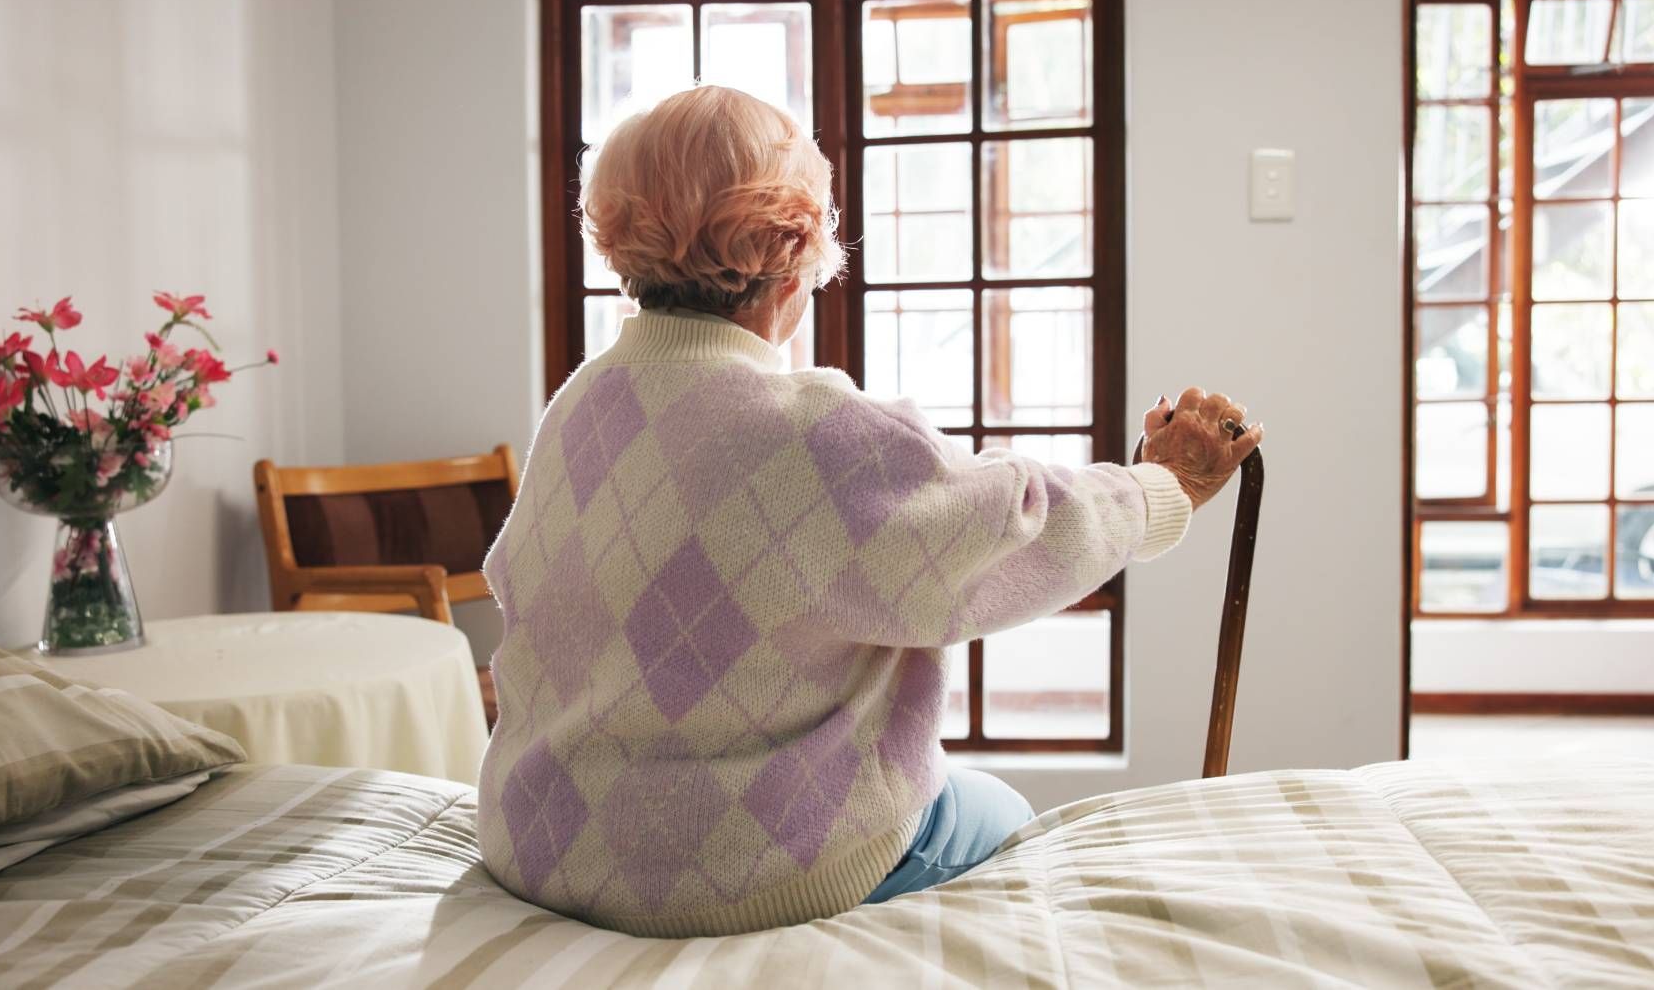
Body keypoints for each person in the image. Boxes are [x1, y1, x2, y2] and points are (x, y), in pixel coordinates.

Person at [477, 85, 1263, 938]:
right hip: (731, 867)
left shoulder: (581, 404)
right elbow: (1003, 530)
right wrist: (1160, 486)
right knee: (1000, 815)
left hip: (543, 840)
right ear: (795, 242)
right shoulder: (809, 432)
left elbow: (516, 584)